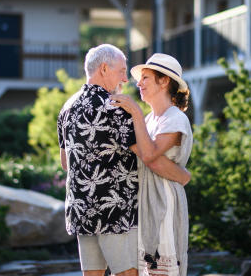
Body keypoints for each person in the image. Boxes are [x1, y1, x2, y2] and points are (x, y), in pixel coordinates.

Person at [57, 45, 191, 276]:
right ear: (104, 68)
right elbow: (149, 157)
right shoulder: (116, 108)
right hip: (114, 210)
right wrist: (183, 175)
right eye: (121, 71)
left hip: (81, 210)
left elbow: (65, 163)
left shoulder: (67, 108)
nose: (125, 79)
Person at [110, 53, 193, 276]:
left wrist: (135, 112)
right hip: (145, 198)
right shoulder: (148, 120)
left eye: (145, 77)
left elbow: (148, 155)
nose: (138, 83)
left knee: (161, 270)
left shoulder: (174, 118)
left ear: (164, 80)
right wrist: (181, 174)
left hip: (163, 199)